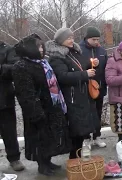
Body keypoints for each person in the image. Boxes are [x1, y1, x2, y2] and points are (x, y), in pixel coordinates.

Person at [12, 34, 71, 176]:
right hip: (37, 109)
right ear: (30, 49)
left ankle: (48, 161)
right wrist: (36, 112)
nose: (41, 49)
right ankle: (42, 165)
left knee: (51, 137)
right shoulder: (21, 66)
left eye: (42, 46)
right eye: (38, 47)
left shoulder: (43, 62)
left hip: (51, 106)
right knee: (40, 138)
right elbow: (25, 93)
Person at [46, 28, 99, 159]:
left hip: (83, 96)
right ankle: (74, 158)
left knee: (83, 129)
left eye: (72, 37)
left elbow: (83, 65)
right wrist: (84, 74)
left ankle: (78, 156)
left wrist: (93, 64)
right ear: (60, 40)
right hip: (72, 98)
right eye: (68, 38)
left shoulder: (74, 52)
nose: (71, 40)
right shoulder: (56, 57)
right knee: (76, 130)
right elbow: (62, 76)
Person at [79, 26, 107, 148]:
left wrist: (99, 65)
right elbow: (78, 67)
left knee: (98, 112)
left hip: (99, 86)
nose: (96, 42)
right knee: (87, 113)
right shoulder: (79, 49)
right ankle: (86, 138)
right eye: (94, 39)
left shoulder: (102, 51)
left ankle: (97, 136)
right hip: (86, 87)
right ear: (87, 38)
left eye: (98, 39)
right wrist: (89, 64)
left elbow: (107, 67)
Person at [0, 41, 25, 171]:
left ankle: (14, 158)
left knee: (9, 131)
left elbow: (15, 67)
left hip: (4, 98)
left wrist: (1, 68)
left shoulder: (8, 49)